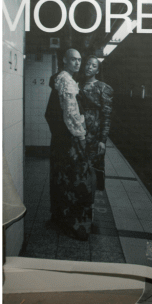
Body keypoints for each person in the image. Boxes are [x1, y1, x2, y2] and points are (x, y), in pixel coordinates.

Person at [44, 48, 95, 242]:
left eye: (79, 60)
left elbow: (52, 114)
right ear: (64, 60)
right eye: (73, 59)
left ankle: (59, 219)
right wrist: (81, 136)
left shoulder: (63, 79)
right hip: (70, 140)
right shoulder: (66, 81)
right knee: (77, 180)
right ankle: (75, 225)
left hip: (60, 140)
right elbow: (71, 113)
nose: (77, 63)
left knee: (60, 178)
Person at [79, 55, 114, 192]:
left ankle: (91, 196)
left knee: (93, 167)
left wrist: (102, 141)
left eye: (94, 66)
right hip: (79, 132)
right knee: (80, 166)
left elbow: (107, 116)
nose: (89, 67)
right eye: (88, 64)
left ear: (98, 70)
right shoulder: (78, 85)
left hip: (94, 134)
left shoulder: (103, 88)